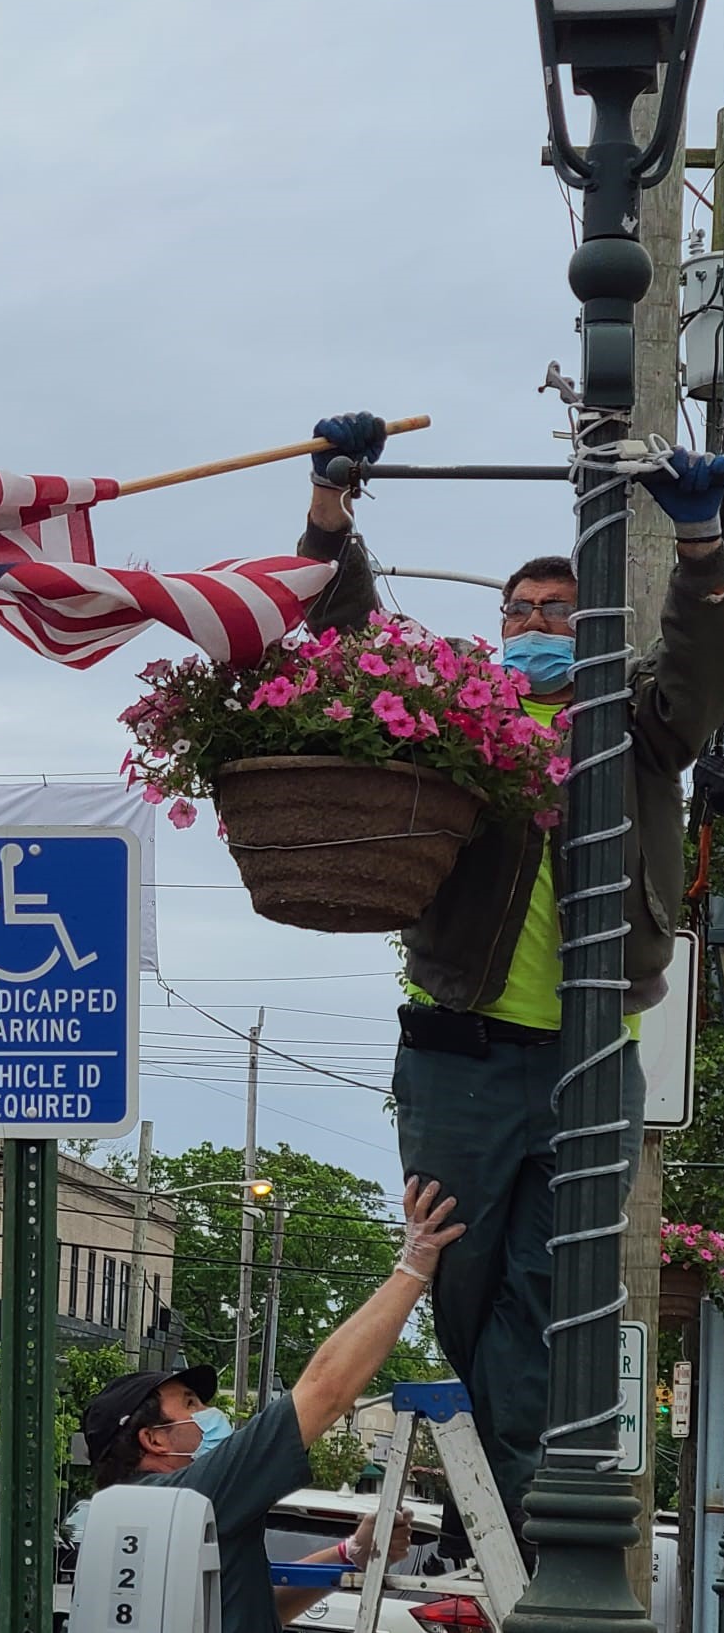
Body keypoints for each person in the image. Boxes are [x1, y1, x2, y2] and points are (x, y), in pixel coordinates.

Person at [295, 411, 724, 1541]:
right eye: (517, 614)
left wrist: (701, 546)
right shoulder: (458, 718)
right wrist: (334, 506)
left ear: (594, 628)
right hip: (461, 1055)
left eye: (555, 613)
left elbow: (698, 663)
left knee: (553, 1295)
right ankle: (484, 1501)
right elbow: (349, 638)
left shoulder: (637, 726)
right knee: (459, 1275)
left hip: (595, 1056)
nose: (533, 626)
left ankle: (521, 1521)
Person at [81, 1177, 461, 1633]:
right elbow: (325, 1390)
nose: (207, 1412)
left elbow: (258, 1611)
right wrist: (414, 1266)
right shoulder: (190, 1496)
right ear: (154, 1439)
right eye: (189, 1403)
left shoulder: (127, 1516)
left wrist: (349, 1554)